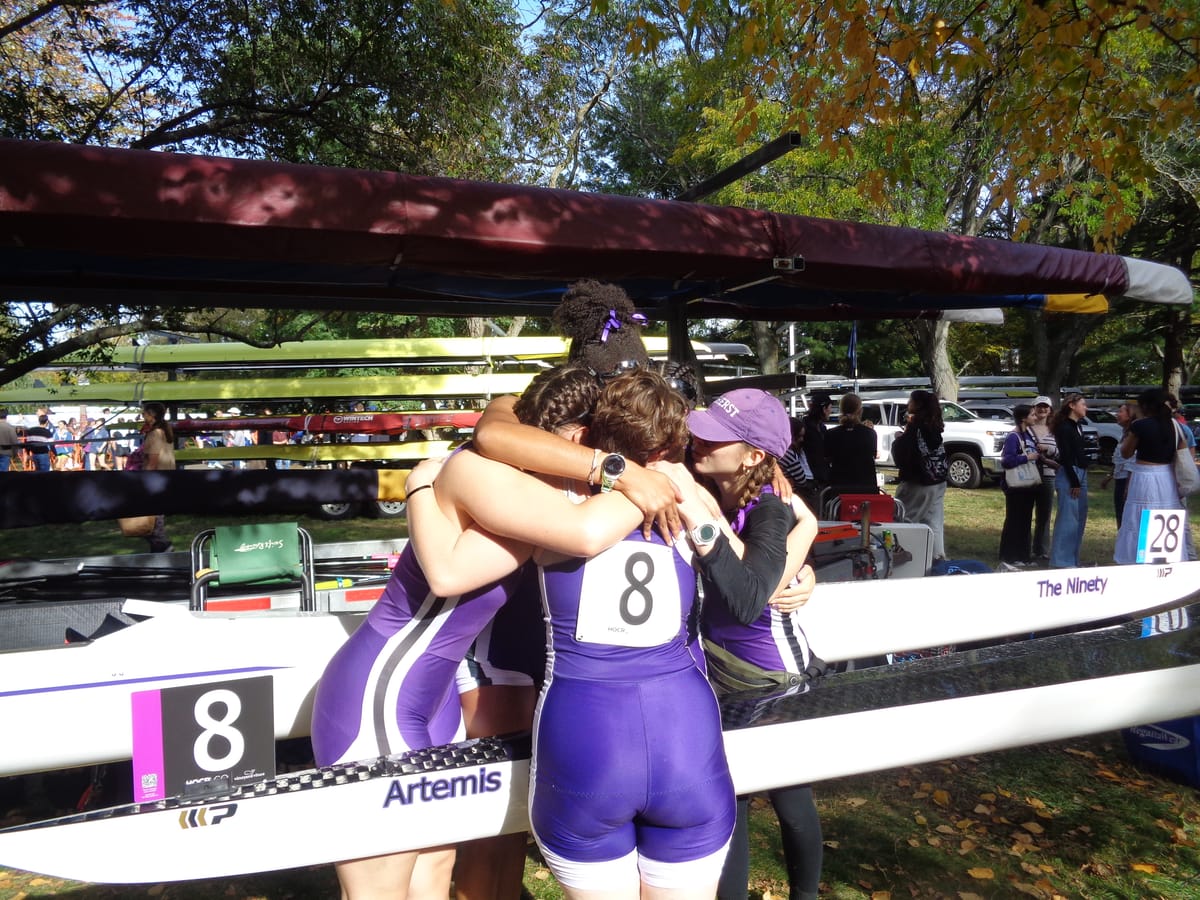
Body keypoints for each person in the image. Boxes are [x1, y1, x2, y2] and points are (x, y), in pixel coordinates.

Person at [362, 369, 735, 900]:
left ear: (583, 435)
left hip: (582, 732)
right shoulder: (683, 494)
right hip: (684, 730)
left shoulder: (549, 497)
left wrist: (420, 486)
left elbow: (498, 437)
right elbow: (752, 586)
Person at [659, 388, 823, 900]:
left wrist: (806, 533)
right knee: (732, 801)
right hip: (718, 674)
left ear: (752, 457)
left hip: (771, 679)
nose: (699, 439)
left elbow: (747, 599)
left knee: (791, 798)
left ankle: (806, 895)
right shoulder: (711, 484)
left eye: (716, 436)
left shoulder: (770, 507)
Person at [1115, 389, 1189, 565]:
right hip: (1167, 477)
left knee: (1139, 517)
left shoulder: (1140, 425)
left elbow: (1126, 453)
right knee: (1165, 514)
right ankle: (1164, 557)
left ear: (1146, 406)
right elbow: (1182, 451)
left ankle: (1137, 559)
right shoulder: (1176, 426)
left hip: (1144, 475)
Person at [892, 390, 947, 560]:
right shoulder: (934, 425)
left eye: (910, 400)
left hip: (918, 482)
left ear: (917, 404)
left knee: (905, 521)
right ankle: (938, 559)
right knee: (934, 524)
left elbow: (904, 457)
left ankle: (906, 558)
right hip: (938, 481)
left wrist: (898, 439)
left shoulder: (915, 427)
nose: (908, 403)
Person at [998, 404, 1043, 570]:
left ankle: (1024, 555)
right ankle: (1010, 555)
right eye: (1032, 415)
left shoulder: (1029, 434)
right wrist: (1027, 457)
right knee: (1014, 521)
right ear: (1023, 418)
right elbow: (1007, 460)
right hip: (1016, 487)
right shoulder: (1013, 437)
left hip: (1028, 486)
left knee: (1025, 521)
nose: (1035, 417)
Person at [1049, 393, 1090, 568]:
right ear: (1072, 406)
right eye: (1083, 404)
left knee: (1079, 517)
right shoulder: (1064, 427)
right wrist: (1074, 481)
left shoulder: (1078, 426)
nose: (1086, 407)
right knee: (1068, 518)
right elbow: (1066, 456)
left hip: (1081, 471)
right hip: (1070, 473)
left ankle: (1072, 558)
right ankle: (1061, 560)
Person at [137, 402, 176, 553]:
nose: (142, 416)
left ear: (151, 415)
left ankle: (162, 545)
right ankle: (159, 546)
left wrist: (143, 480)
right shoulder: (165, 430)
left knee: (151, 515)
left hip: (155, 478)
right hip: (165, 476)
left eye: (144, 413)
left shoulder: (155, 434)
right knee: (156, 515)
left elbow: (153, 461)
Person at [822, 392, 878, 495]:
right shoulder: (870, 433)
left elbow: (827, 457)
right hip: (866, 487)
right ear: (860, 411)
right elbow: (873, 455)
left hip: (839, 488)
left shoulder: (831, 434)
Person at [1028, 396, 1059, 561]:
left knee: (1044, 515)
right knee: (1025, 512)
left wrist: (1048, 449)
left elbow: (1061, 452)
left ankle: (1042, 550)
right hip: (1027, 475)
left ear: (1050, 410)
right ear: (1033, 408)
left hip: (1048, 475)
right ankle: (1024, 548)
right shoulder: (1026, 428)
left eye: (1046, 407)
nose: (1042, 409)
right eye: (1039, 406)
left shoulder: (1054, 430)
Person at [795, 392, 833, 514]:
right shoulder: (806, 427)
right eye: (829, 408)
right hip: (808, 476)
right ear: (824, 408)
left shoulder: (820, 427)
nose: (830, 411)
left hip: (817, 477)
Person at [1099, 402, 1135, 523]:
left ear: (1130, 415)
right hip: (1120, 479)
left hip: (1127, 481)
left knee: (1125, 515)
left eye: (1120, 412)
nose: (1117, 414)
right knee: (1120, 514)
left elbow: (1132, 462)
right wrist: (1110, 476)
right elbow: (1119, 460)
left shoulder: (1132, 435)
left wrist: (1128, 487)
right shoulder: (1124, 433)